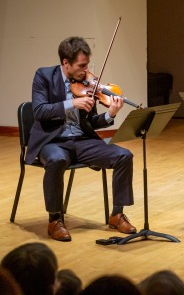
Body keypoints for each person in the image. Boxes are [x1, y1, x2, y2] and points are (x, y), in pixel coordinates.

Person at [27, 36, 136, 241]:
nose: (85, 71)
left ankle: (117, 214)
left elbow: (91, 122)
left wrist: (110, 114)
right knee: (57, 159)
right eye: (81, 66)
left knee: (124, 155)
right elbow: (40, 111)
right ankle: (55, 219)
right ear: (66, 63)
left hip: (82, 140)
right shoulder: (44, 76)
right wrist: (72, 104)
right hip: (52, 141)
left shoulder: (86, 83)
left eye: (87, 65)